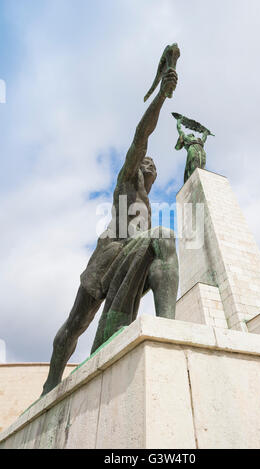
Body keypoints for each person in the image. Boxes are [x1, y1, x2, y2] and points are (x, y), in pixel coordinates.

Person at [41, 67, 179, 396]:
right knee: (74, 326)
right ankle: (51, 382)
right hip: (105, 260)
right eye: (147, 162)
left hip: (127, 259)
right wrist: (161, 95)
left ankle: (167, 330)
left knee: (164, 238)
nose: (151, 165)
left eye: (155, 166)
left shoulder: (148, 207)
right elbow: (140, 137)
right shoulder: (125, 182)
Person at [175, 117, 209, 183]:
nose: (191, 134)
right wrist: (179, 121)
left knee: (202, 162)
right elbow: (179, 129)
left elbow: (204, 138)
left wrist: (206, 132)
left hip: (200, 148)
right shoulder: (186, 138)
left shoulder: (198, 140)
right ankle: (193, 176)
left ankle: (201, 176)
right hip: (192, 148)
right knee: (194, 160)